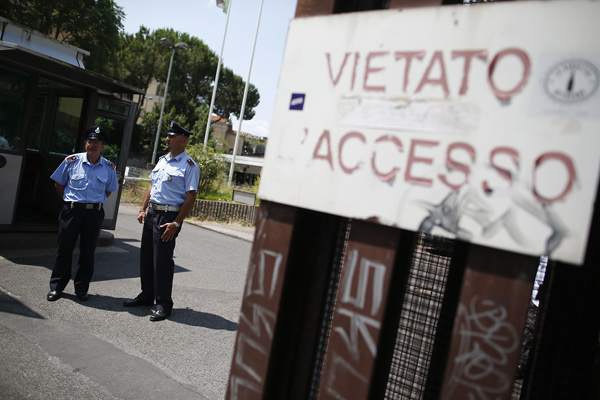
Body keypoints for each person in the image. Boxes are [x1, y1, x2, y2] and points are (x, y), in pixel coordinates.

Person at [123, 121, 200, 322]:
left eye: (172, 136)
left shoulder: (189, 165)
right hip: (152, 214)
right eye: (167, 136)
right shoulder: (162, 160)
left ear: (183, 140)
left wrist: (176, 223)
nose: (167, 139)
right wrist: (142, 208)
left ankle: (164, 303)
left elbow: (191, 196)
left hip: (168, 217)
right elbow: (152, 186)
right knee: (147, 257)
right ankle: (147, 295)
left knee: (162, 262)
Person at [46, 126, 118, 302]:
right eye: (90, 141)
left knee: (88, 252)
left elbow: (108, 191)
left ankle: (81, 289)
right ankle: (57, 287)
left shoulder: (108, 167)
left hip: (93, 213)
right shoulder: (71, 161)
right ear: (85, 143)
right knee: (65, 249)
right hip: (71, 211)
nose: (93, 145)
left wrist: (92, 202)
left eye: (97, 142)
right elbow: (58, 183)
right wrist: (70, 202)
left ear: (102, 146)